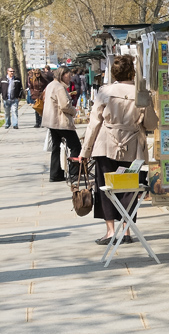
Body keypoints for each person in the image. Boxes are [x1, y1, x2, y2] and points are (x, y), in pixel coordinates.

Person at [80, 55, 157, 245]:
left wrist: (85, 151)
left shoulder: (105, 92)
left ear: (113, 72)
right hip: (132, 147)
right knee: (129, 188)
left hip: (105, 144)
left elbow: (94, 123)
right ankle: (127, 230)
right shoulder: (142, 94)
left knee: (105, 188)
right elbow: (151, 123)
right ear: (132, 72)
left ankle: (109, 231)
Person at [42, 67, 81, 181]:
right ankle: (74, 173)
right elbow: (65, 106)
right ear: (63, 75)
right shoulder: (59, 87)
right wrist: (73, 110)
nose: (70, 79)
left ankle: (55, 174)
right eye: (69, 76)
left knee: (56, 147)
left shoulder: (51, 85)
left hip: (52, 121)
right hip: (61, 122)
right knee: (75, 146)